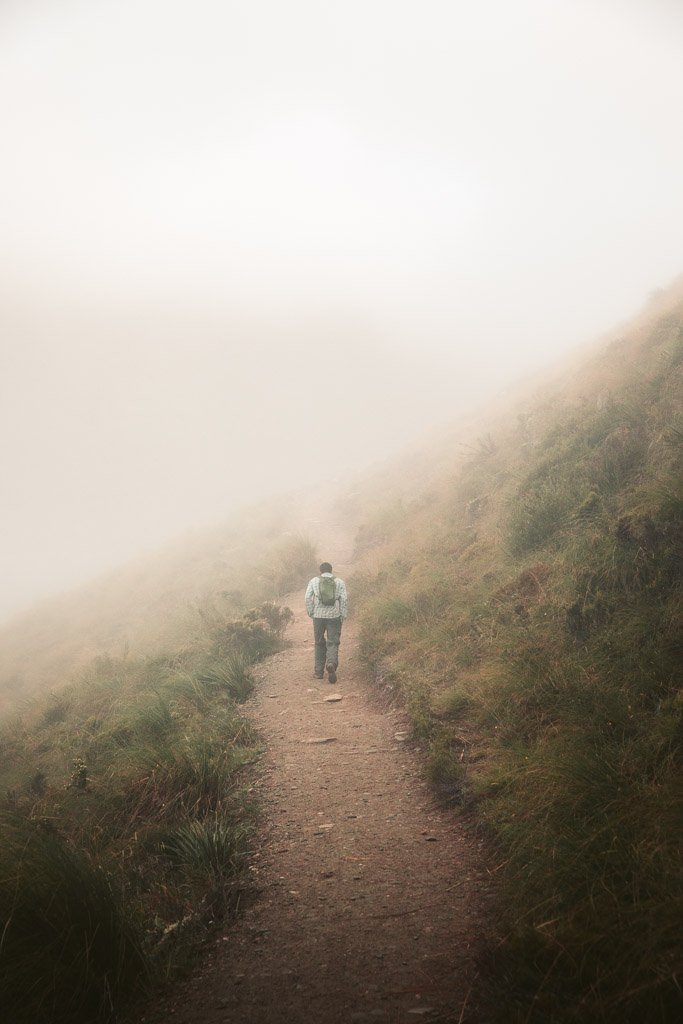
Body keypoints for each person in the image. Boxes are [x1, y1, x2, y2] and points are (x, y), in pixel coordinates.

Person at [305, 562, 348, 683]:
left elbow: (307, 597)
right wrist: (343, 615)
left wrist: (311, 612)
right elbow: (344, 599)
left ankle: (318, 672)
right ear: (331, 570)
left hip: (318, 616)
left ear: (320, 571)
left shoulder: (314, 581)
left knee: (319, 642)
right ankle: (331, 664)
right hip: (334, 616)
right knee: (333, 642)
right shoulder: (339, 581)